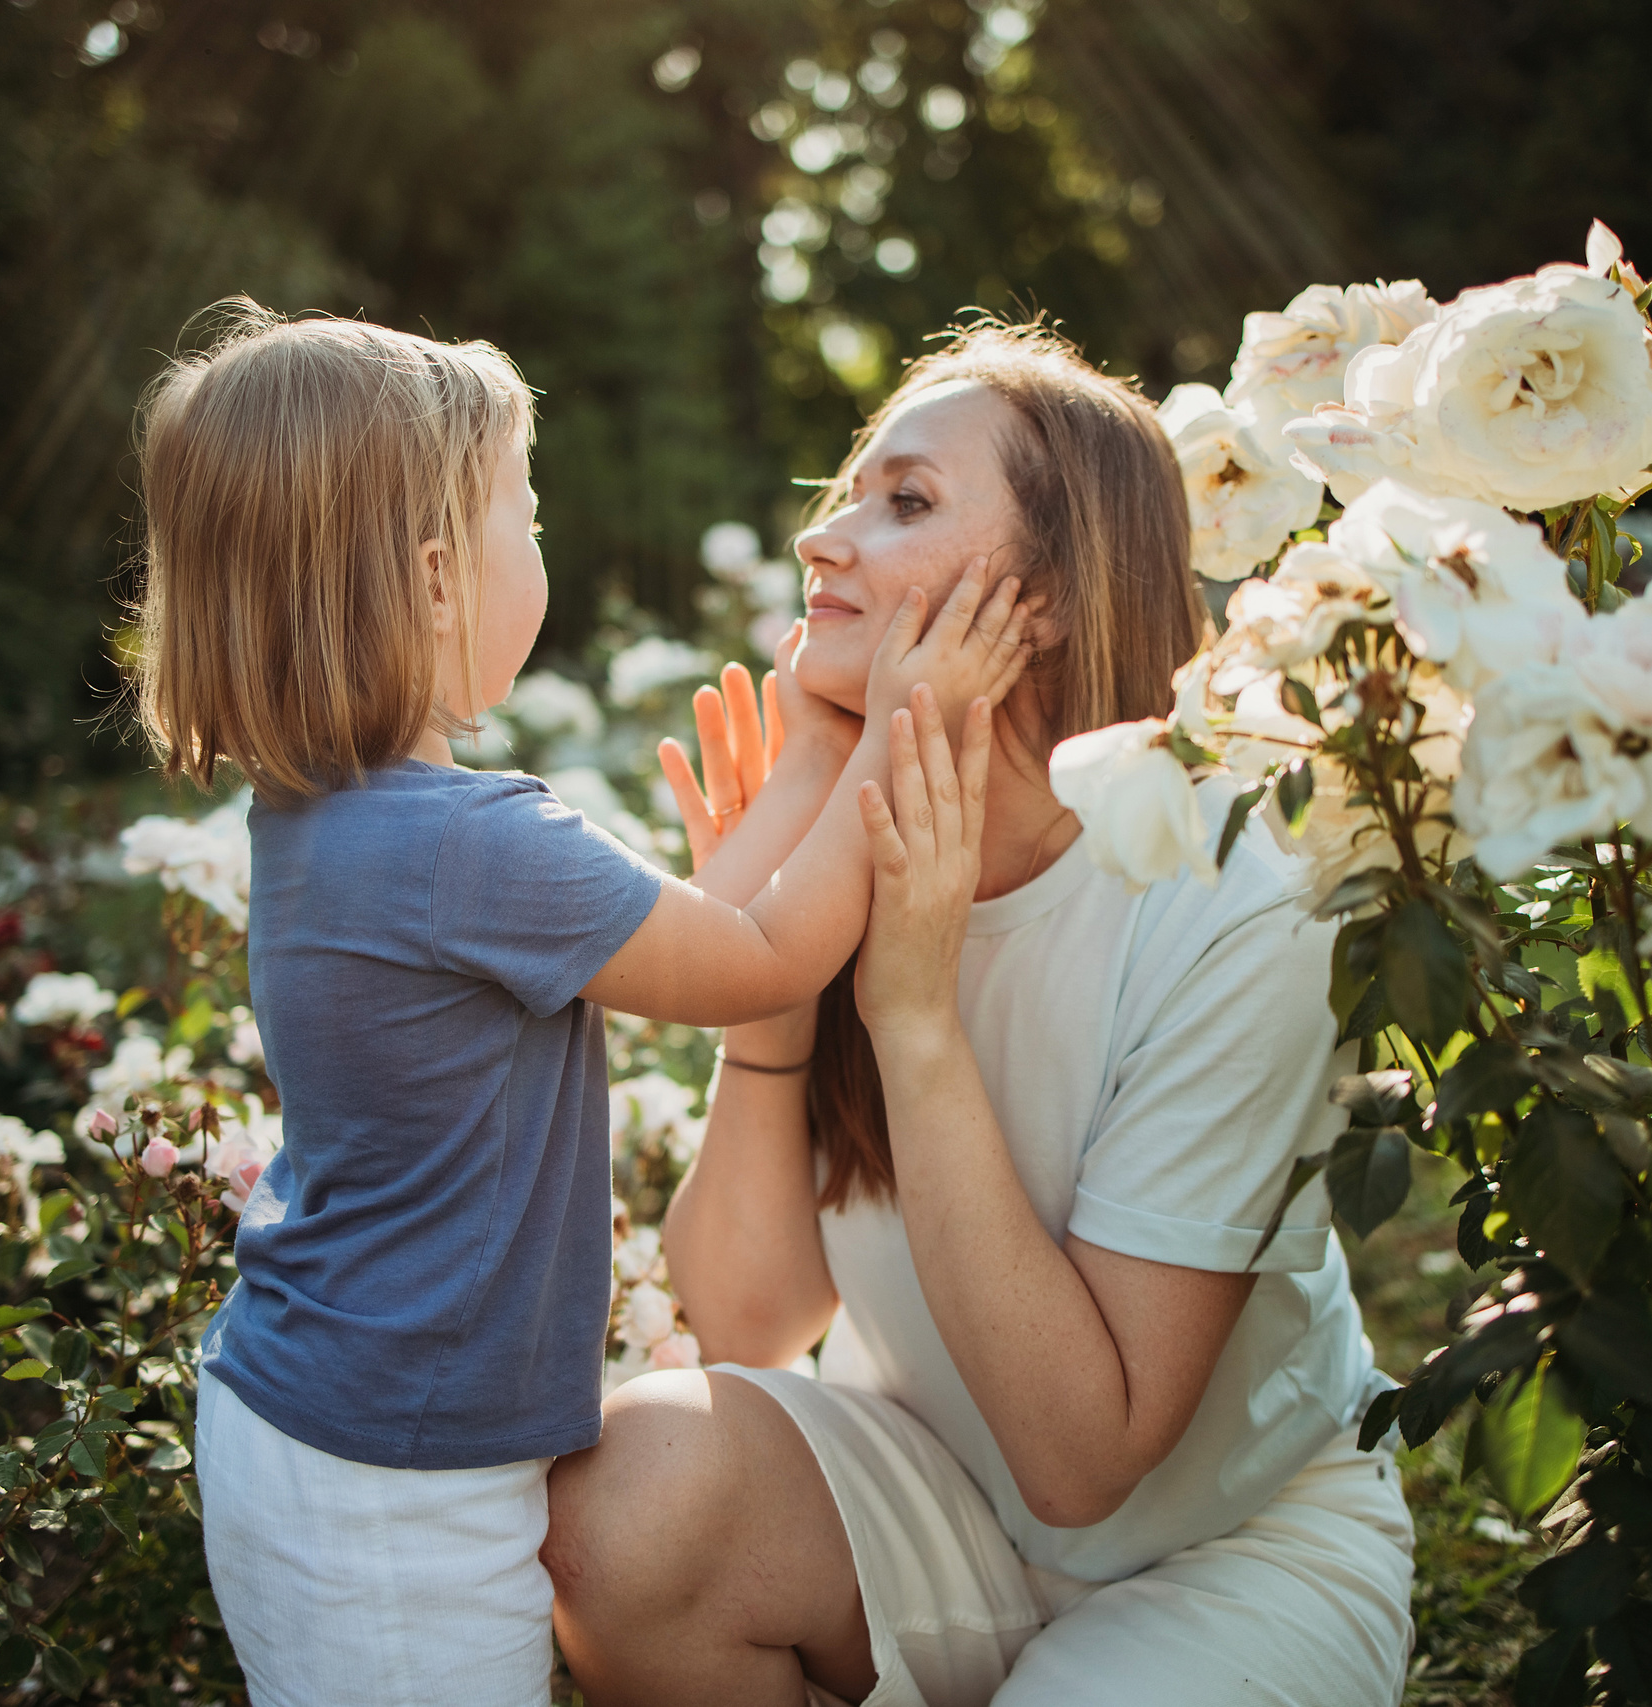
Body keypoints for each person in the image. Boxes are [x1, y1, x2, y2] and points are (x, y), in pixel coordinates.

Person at [129, 301, 1030, 1707]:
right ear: (437, 579)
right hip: (394, 1486)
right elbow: (759, 963)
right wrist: (899, 730)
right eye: (524, 516)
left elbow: (686, 939)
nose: (536, 547)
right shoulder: (459, 841)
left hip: (335, 1430)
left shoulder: (355, 823)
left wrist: (808, 759)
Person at [544, 321, 1416, 1707]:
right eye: (848, 495)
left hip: (1226, 1557)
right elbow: (746, 1325)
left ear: (1054, 599)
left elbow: (1086, 1463)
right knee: (629, 1505)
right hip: (930, 1494)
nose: (825, 540)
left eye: (905, 504)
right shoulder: (834, 868)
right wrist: (768, 984)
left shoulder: (1236, 899)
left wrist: (915, 1014)